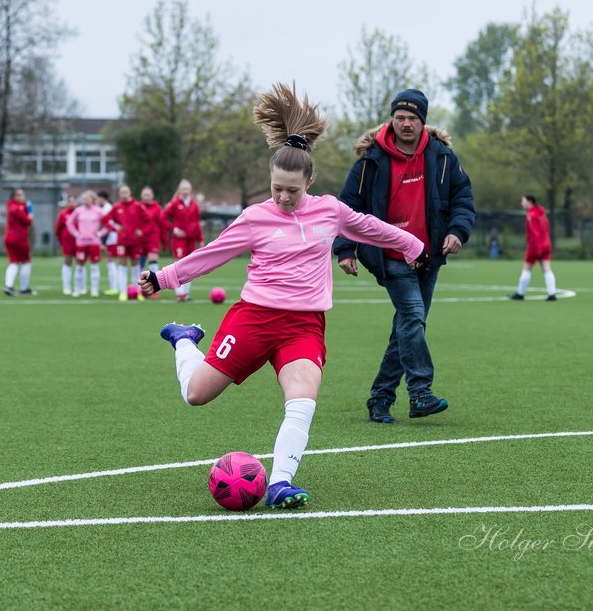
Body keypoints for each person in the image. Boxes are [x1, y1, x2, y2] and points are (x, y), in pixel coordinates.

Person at [139, 83, 426, 509]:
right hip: (253, 319)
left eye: (292, 189)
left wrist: (411, 244)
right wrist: (162, 278)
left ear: (309, 181)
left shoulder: (330, 210)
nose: (284, 197)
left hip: (304, 327)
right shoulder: (255, 217)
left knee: (302, 399)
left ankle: (280, 483)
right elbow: (212, 254)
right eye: (277, 188)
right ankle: (184, 339)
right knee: (196, 395)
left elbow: (370, 226)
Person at [333, 88, 476, 425]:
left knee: (406, 328)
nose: (406, 123)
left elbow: (463, 197)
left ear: (423, 121)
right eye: (400, 117)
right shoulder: (371, 160)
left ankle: (380, 398)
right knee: (412, 316)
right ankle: (420, 393)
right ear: (392, 119)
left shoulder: (442, 157)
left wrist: (457, 231)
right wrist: (344, 249)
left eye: (412, 118)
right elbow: (346, 206)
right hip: (388, 255)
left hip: (430, 254)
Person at [102, 184, 147, 302]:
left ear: (130, 193)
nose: (124, 194)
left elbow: (147, 219)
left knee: (136, 266)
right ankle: (122, 292)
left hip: (135, 242)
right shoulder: (116, 207)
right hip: (122, 241)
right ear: (119, 194)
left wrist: (141, 231)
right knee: (122, 265)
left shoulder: (138, 206)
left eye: (126, 192)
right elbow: (105, 219)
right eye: (122, 192)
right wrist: (114, 228)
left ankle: (137, 292)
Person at [510, 194, 558, 301]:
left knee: (526, 268)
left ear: (529, 202)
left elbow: (534, 232)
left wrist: (536, 247)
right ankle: (552, 294)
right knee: (546, 268)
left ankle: (520, 293)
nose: (521, 203)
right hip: (546, 244)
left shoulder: (531, 215)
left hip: (535, 245)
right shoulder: (542, 214)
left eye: (523, 201)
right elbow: (547, 229)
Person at [162, 179, 203, 302]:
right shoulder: (174, 203)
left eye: (187, 189)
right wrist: (174, 229)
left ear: (190, 190)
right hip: (179, 240)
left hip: (191, 240)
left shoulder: (194, 205)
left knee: (190, 265)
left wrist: (200, 239)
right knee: (179, 264)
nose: (185, 191)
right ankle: (179, 293)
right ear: (179, 190)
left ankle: (186, 293)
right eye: (183, 189)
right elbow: (162, 218)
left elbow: (196, 223)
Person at [66, 190, 106, 298]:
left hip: (94, 243)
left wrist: (100, 233)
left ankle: (94, 289)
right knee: (79, 267)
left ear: (93, 199)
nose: (85, 200)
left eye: (87, 198)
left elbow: (108, 223)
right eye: (84, 199)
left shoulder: (98, 210)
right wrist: (75, 233)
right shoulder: (79, 210)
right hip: (81, 243)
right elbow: (69, 222)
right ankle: (77, 289)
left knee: (94, 267)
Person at [3, 188, 35, 296]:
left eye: (23, 195)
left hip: (9, 237)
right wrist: (30, 212)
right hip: (19, 238)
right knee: (26, 262)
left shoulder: (11, 206)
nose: (22, 197)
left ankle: (9, 286)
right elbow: (28, 221)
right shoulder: (16, 208)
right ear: (14, 197)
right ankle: (24, 288)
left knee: (13, 262)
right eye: (19, 195)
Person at [96, 190, 120, 295]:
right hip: (110, 237)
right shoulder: (106, 208)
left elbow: (109, 225)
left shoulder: (107, 208)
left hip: (112, 238)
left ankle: (115, 287)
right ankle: (115, 286)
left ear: (102, 198)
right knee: (111, 262)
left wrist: (100, 235)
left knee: (112, 262)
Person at [138, 186, 165, 275]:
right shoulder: (137, 207)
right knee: (140, 261)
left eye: (148, 195)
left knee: (153, 259)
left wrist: (163, 240)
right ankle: (138, 286)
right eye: (145, 195)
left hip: (153, 237)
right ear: (141, 195)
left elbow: (162, 223)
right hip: (140, 238)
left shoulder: (157, 208)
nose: (146, 197)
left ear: (152, 196)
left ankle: (154, 285)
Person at [56, 194, 79, 297]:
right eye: (70, 201)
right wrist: (61, 241)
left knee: (80, 264)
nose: (72, 203)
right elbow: (58, 229)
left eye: (74, 201)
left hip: (80, 242)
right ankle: (66, 287)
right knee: (67, 263)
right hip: (67, 243)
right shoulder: (63, 213)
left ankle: (80, 287)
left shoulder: (80, 212)